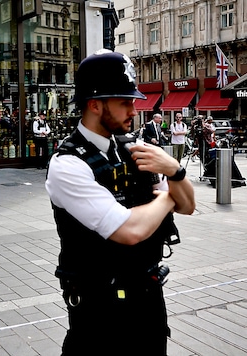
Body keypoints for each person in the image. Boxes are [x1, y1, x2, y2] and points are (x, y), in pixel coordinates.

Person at [45, 49, 195, 355]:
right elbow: (129, 231)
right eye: (124, 102)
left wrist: (174, 170)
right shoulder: (68, 165)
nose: (134, 110)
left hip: (148, 298)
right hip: (99, 310)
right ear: (95, 104)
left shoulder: (135, 148)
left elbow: (189, 205)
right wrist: (168, 195)